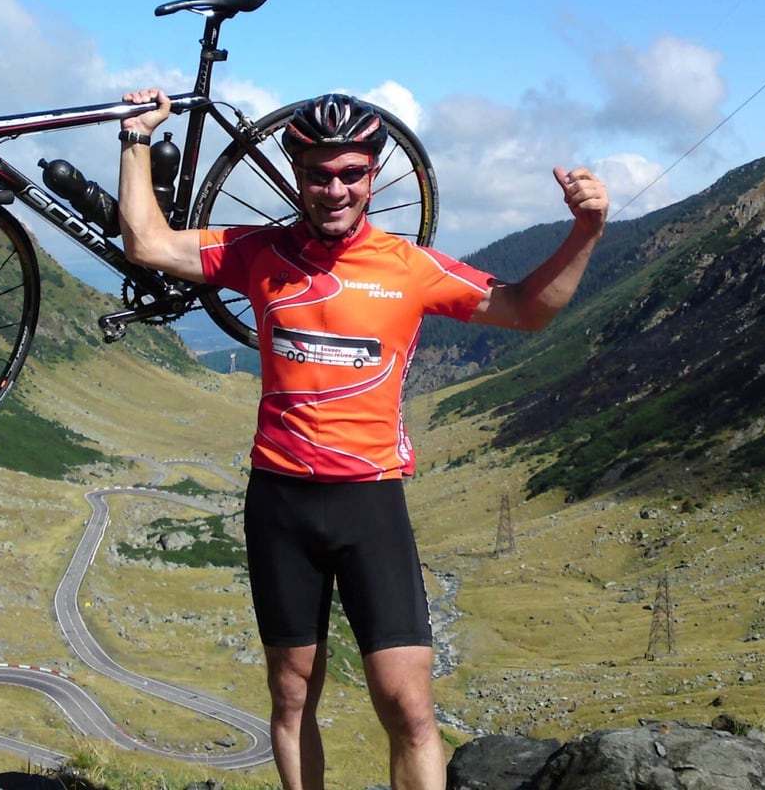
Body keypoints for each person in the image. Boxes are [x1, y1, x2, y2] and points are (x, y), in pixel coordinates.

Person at [116, 89, 608, 790]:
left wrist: (586, 230)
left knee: (407, 705)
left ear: (373, 175)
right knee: (290, 697)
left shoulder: (409, 267)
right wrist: (136, 138)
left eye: (351, 172)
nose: (335, 188)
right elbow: (148, 242)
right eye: (320, 173)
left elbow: (527, 311)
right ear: (298, 175)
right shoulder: (257, 252)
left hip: (369, 504)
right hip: (280, 501)